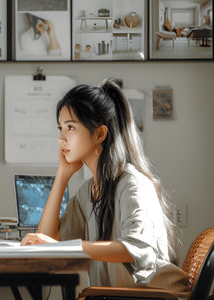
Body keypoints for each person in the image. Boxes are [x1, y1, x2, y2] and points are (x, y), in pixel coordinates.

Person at [21, 79, 190, 295]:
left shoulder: (132, 183)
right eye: (60, 128)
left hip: (155, 298)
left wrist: (63, 247)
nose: (61, 138)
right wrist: (62, 176)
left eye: (70, 127)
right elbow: (48, 242)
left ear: (100, 134)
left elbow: (132, 248)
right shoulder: (89, 191)